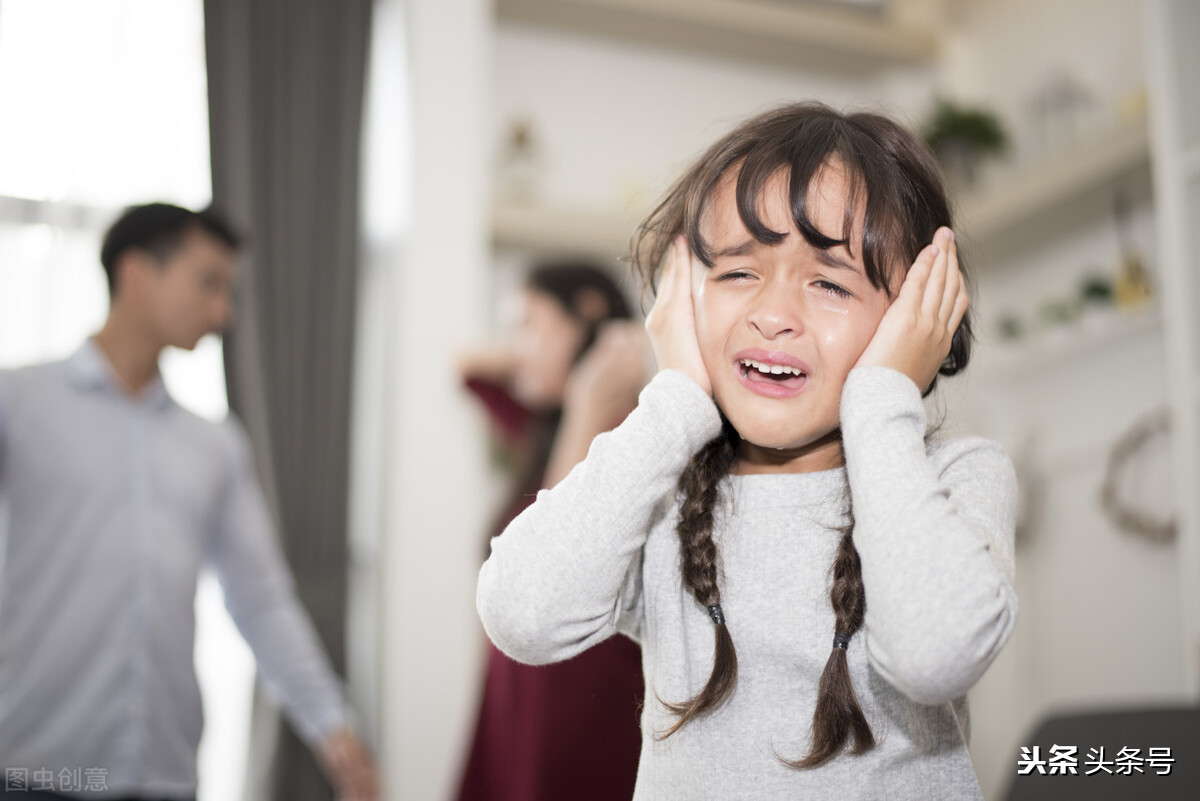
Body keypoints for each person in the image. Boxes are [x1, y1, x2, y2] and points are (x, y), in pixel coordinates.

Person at [476, 103, 1018, 800]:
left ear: (915, 316)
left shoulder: (956, 478)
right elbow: (522, 613)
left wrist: (885, 395)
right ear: (681, 297)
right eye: (736, 272)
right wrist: (674, 398)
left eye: (828, 281)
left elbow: (934, 651)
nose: (772, 313)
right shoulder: (663, 497)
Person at [0, 203, 377, 801]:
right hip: (33, 773)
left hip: (165, 777)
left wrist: (332, 724)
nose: (224, 311)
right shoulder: (18, 403)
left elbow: (260, 601)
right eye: (209, 283)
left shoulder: (216, 446)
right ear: (134, 273)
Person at [454, 262, 648, 801]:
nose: (517, 347)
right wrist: (553, 357)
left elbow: (554, 564)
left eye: (530, 325)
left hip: (579, 705)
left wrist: (590, 394)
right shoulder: (546, 425)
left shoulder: (634, 434)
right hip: (518, 697)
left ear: (585, 315)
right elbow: (467, 368)